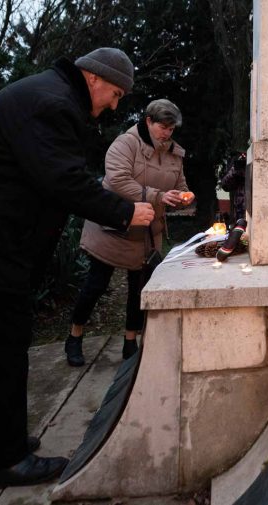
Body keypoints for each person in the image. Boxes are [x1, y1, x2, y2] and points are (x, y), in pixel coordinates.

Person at [0, 47, 156, 490]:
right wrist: (125, 212)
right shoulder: (54, 104)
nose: (114, 105)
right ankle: (5, 460)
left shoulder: (47, 93)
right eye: (115, 94)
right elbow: (61, 180)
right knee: (4, 345)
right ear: (94, 78)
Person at [65, 99, 190, 365]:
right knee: (96, 285)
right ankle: (74, 336)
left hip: (146, 232)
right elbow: (118, 180)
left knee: (138, 289)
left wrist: (183, 196)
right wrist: (158, 196)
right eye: (162, 126)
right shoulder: (125, 144)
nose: (167, 133)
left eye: (171, 128)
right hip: (113, 226)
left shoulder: (174, 154)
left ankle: (130, 341)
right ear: (148, 121)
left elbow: (180, 184)